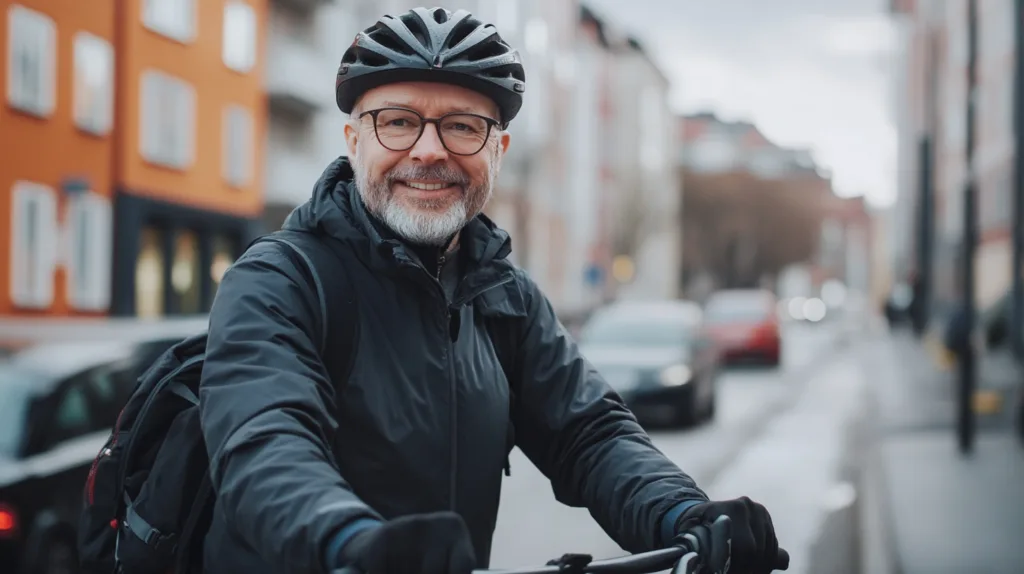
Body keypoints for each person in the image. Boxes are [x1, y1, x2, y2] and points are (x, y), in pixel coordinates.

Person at [199, 7, 786, 574]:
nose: (429, 150)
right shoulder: (280, 279)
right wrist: (348, 539)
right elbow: (263, 441)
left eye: (462, 126)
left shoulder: (505, 295)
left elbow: (588, 433)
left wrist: (683, 512)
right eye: (398, 121)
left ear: (497, 152)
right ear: (354, 141)